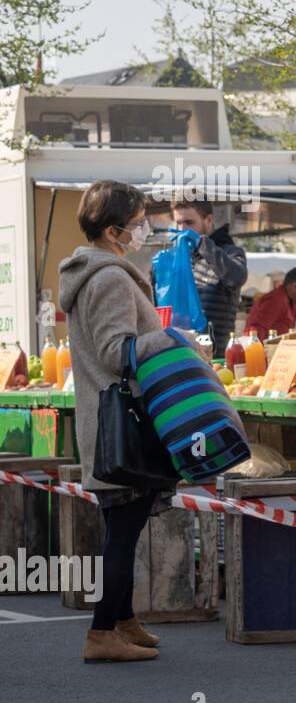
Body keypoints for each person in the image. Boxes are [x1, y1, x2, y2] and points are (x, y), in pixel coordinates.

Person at [59, 181, 179, 663]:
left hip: (109, 421)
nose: (143, 228)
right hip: (121, 426)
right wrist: (169, 339)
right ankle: (101, 631)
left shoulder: (97, 272)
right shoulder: (108, 278)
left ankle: (123, 619)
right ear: (113, 230)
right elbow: (115, 350)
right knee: (124, 531)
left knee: (122, 526)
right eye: (138, 220)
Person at [170, 200, 248, 359]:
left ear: (209, 220)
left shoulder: (230, 252)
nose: (183, 229)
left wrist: (203, 245)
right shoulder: (175, 258)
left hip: (216, 354)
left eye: (189, 223)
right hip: (180, 351)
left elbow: (237, 278)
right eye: (179, 223)